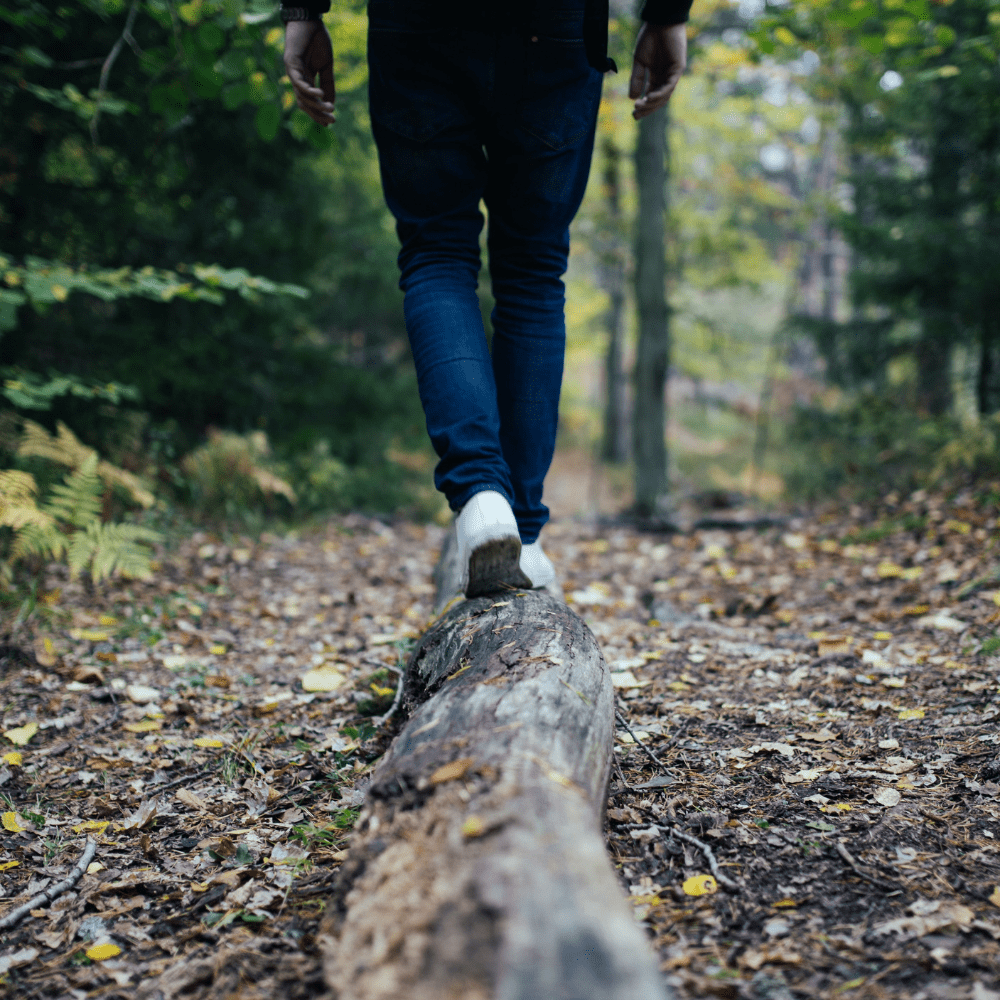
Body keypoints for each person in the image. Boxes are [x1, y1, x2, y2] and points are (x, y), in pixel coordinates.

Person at [282, 0, 691, 598]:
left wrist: (301, 10)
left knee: (436, 253)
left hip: (416, 22)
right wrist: (667, 14)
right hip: (554, 25)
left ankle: (481, 499)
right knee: (533, 272)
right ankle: (521, 530)